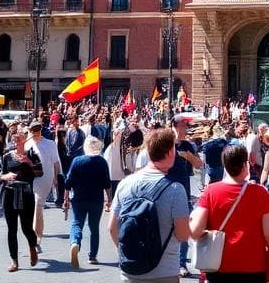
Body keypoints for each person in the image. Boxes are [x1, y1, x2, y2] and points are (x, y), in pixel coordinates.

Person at [189, 143, 269, 283]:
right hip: (253, 267)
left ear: (225, 165)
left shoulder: (211, 191)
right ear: (245, 165)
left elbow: (195, 231)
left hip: (218, 266)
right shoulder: (260, 193)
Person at [109, 127, 190, 283]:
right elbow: (183, 235)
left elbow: (112, 228)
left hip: (130, 272)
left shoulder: (125, 184)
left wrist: (127, 253)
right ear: (170, 152)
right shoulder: (175, 189)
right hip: (164, 272)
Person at [0, 126, 41, 271]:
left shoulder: (31, 154)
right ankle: (14, 261)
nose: (17, 141)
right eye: (14, 139)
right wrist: (6, 176)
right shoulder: (7, 156)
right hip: (10, 194)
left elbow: (40, 172)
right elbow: (0, 176)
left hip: (26, 194)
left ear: (25, 139)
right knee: (12, 229)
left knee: (27, 227)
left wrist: (29, 163)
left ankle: (32, 247)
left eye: (20, 138)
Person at [64, 136, 110, 267]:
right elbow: (107, 184)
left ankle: (75, 243)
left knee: (77, 223)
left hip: (79, 198)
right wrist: (110, 200)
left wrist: (65, 198)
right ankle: (92, 256)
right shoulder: (102, 162)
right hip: (96, 199)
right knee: (94, 227)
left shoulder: (77, 161)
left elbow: (68, 182)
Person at [169, 114, 203, 275]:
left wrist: (188, 156)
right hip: (167, 188)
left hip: (184, 189)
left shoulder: (188, 146)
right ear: (174, 126)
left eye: (185, 126)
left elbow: (199, 165)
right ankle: (168, 261)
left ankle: (181, 263)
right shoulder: (167, 143)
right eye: (182, 125)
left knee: (183, 226)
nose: (184, 128)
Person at [27, 121, 62, 253]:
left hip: (45, 178)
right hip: (30, 179)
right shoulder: (27, 143)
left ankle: (37, 239)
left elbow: (56, 162)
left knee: (37, 205)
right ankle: (35, 234)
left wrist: (57, 178)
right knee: (32, 207)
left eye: (37, 131)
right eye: (33, 131)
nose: (35, 134)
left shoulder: (50, 144)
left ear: (41, 131)